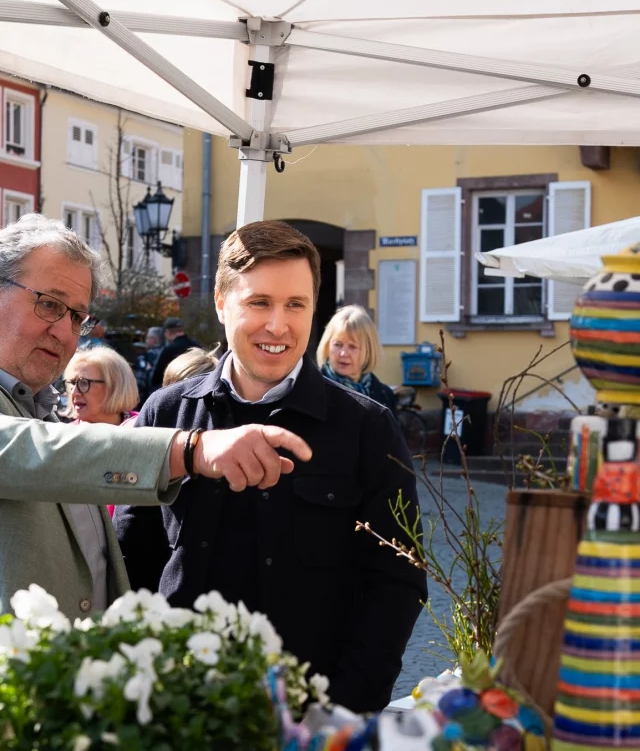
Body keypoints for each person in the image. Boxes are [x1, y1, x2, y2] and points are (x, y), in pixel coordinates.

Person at [114, 221, 426, 713]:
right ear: (221, 302)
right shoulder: (165, 414)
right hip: (178, 717)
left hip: (309, 720)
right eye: (259, 302)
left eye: (295, 305)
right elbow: (129, 564)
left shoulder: (367, 428)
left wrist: (344, 712)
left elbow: (397, 584)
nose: (278, 325)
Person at [0, 214, 313, 620]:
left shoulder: (47, 413)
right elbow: (24, 450)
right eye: (49, 305)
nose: (64, 332)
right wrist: (191, 449)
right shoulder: (55, 430)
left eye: (77, 317)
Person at [318, 304, 397, 415]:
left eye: (352, 346)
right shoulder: (311, 388)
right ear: (327, 345)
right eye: (337, 344)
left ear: (368, 350)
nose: (343, 353)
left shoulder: (384, 395)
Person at [65, 346, 140, 426]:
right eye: (72, 383)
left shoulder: (145, 425)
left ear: (114, 387)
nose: (74, 392)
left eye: (84, 383)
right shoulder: (66, 435)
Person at [150, 317, 201, 391]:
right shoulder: (197, 347)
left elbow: (156, 378)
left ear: (167, 332)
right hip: (196, 389)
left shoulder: (169, 350)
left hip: (173, 392)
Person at [134, 325, 164, 404]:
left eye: (147, 338)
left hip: (147, 396)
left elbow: (140, 380)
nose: (145, 341)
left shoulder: (147, 356)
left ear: (154, 340)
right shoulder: (166, 354)